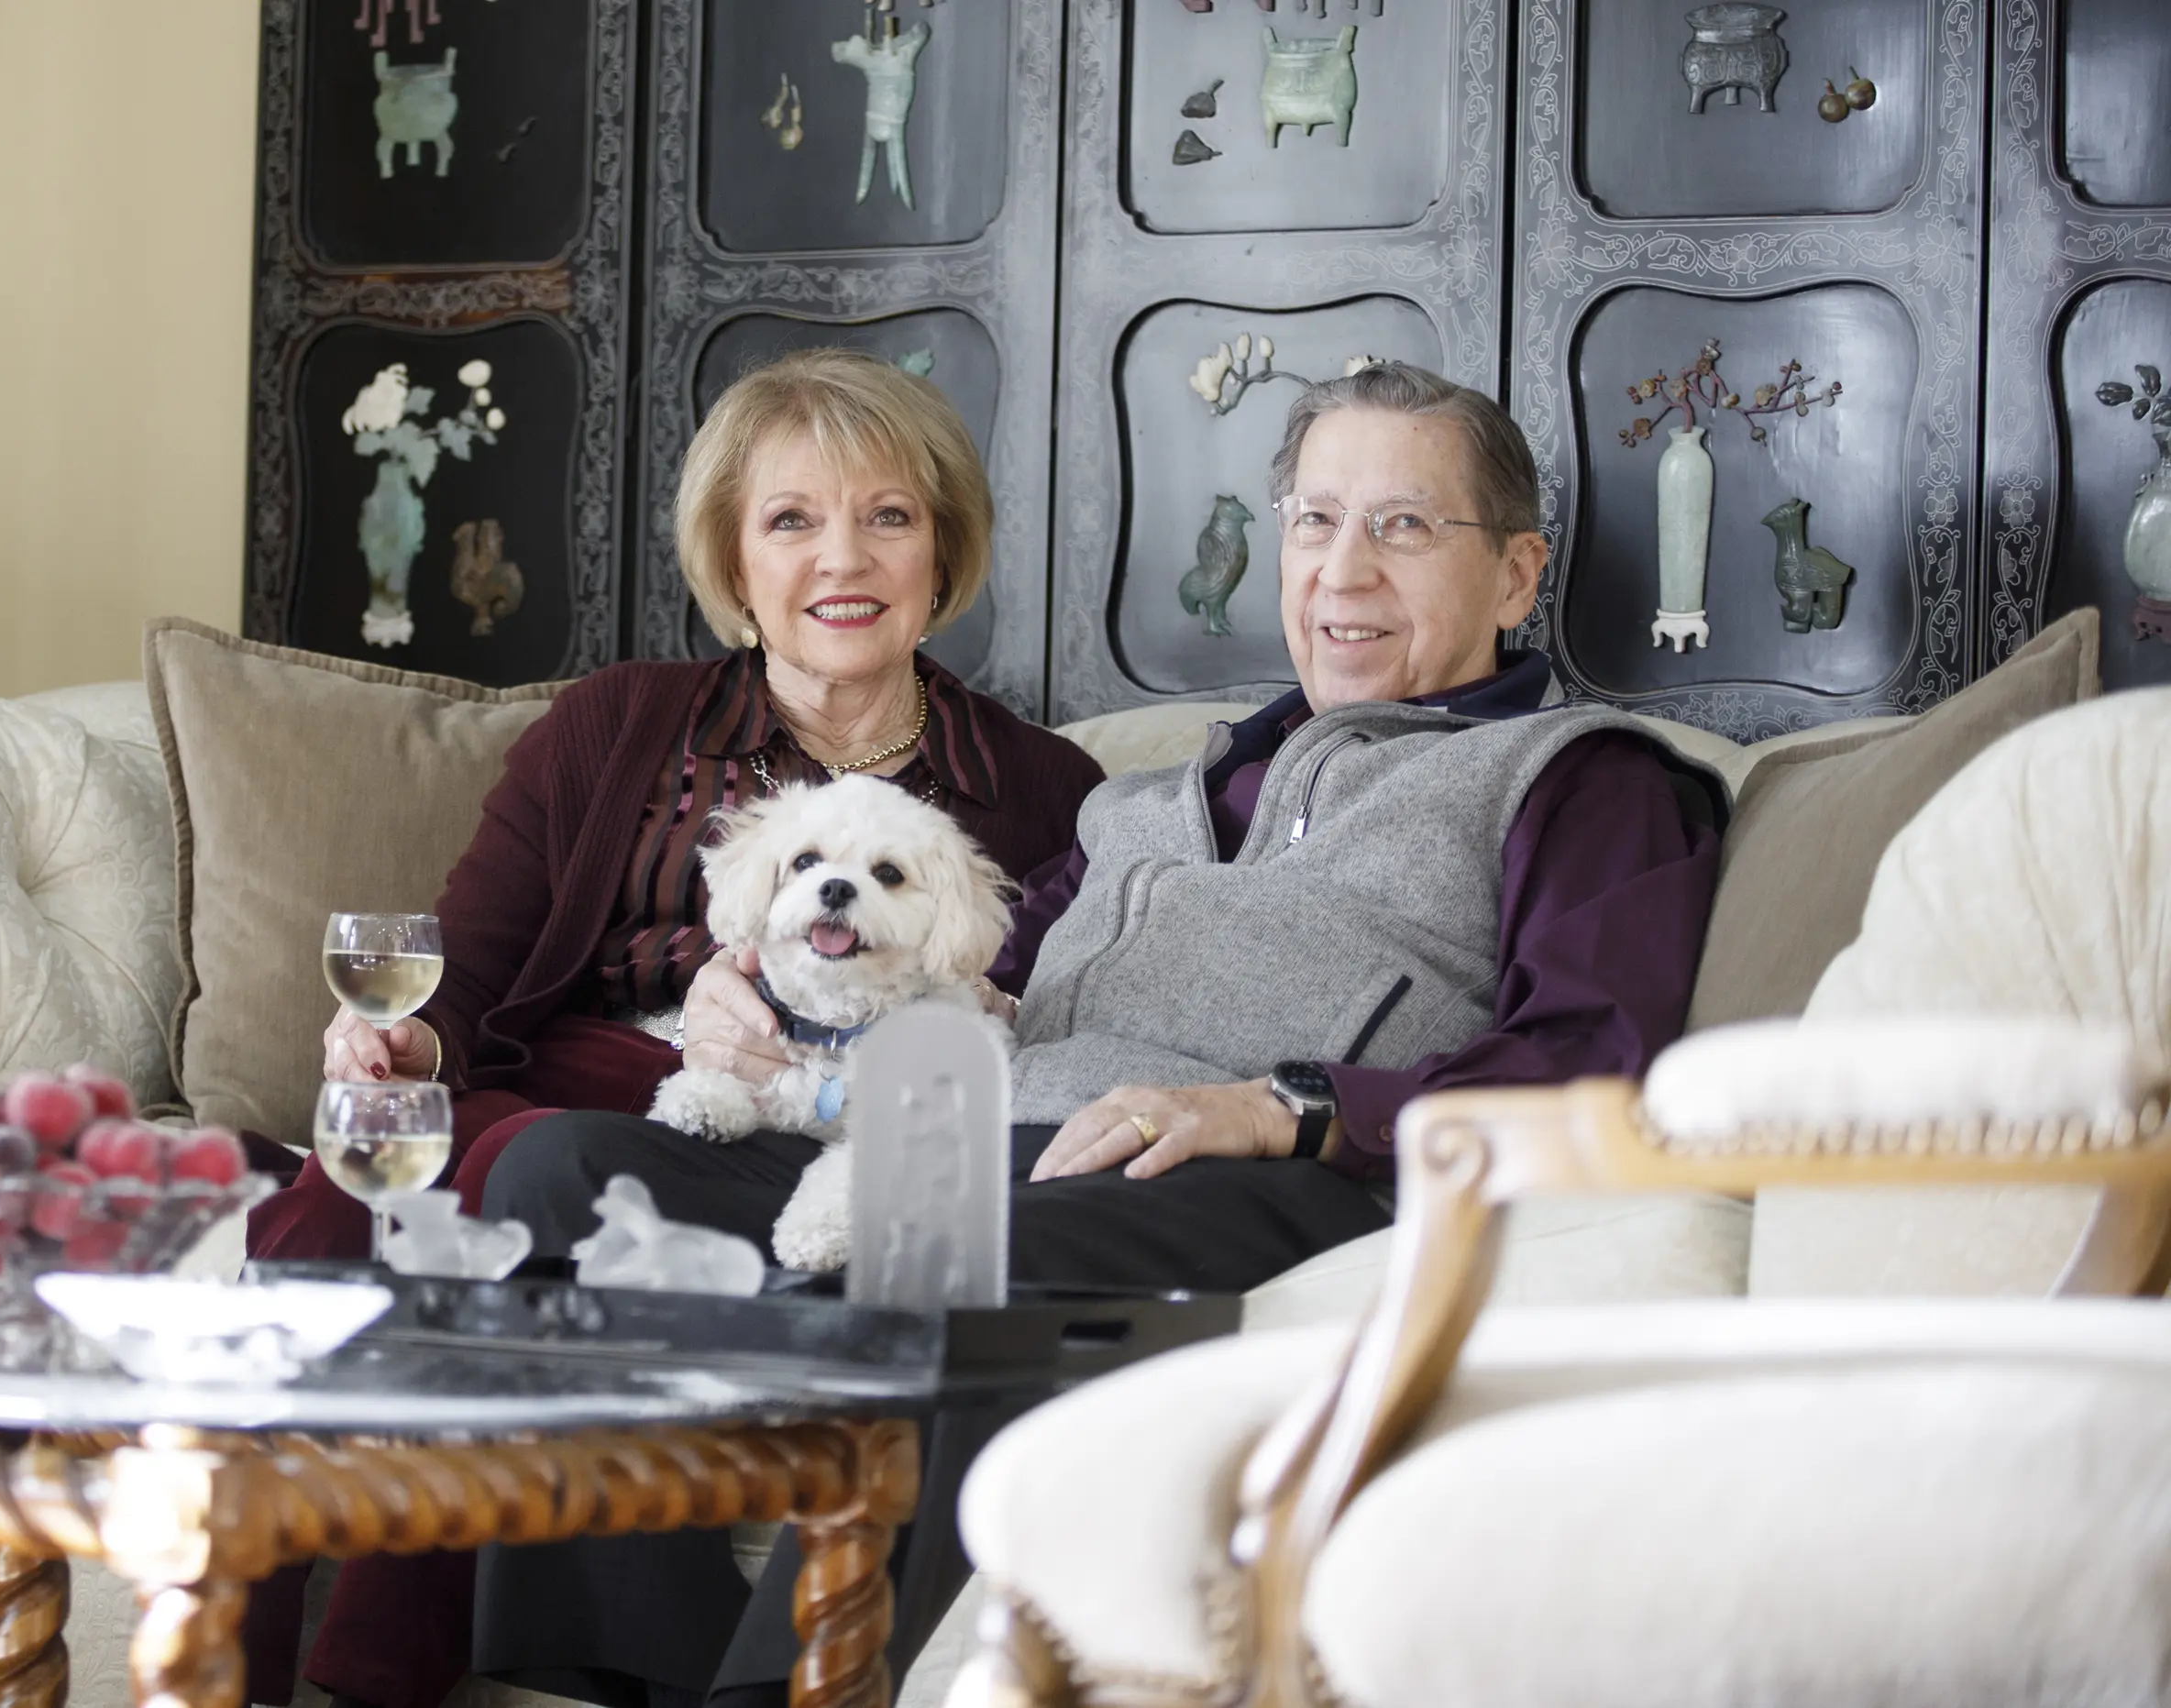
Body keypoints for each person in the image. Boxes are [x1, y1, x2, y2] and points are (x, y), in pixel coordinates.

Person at [468, 361, 1729, 1708]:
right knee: (565, 1172)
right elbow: (974, 983)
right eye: (1314, 522)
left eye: (1404, 526)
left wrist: (1290, 1106)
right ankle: (640, 1676)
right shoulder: (1153, 797)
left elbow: (1592, 1057)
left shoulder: (1581, 781)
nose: (1344, 570)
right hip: (987, 1140)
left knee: (958, 1251)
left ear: (1518, 576)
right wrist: (770, 1003)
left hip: (1251, 1173)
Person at [238, 347, 1108, 1708]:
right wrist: (400, 1043)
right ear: (733, 559)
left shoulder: (1042, 790)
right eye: (792, 519)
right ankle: (224, 1670)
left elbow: (1043, 1027)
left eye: (888, 516)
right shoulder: (618, 724)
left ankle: (369, 1681)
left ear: (941, 551)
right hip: (561, 1077)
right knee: (347, 1183)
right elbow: (468, 961)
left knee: (501, 1176)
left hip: (781, 1143)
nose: (844, 558)